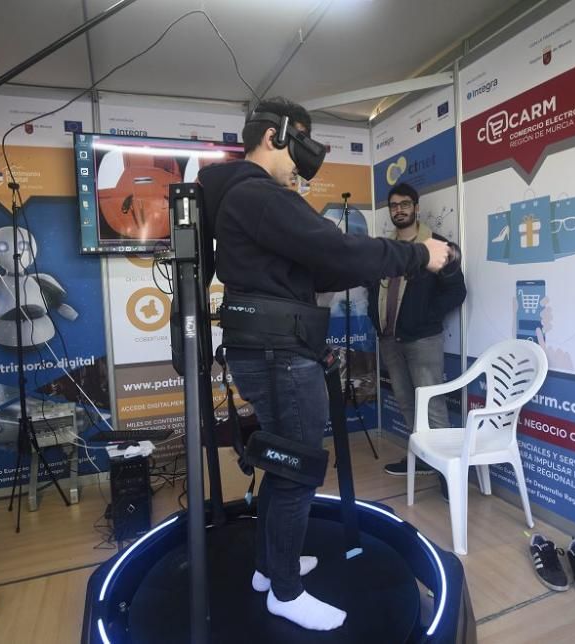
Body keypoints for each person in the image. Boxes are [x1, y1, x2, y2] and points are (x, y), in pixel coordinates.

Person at [198, 97, 450, 632]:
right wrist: (417, 255)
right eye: (298, 149)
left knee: (283, 463)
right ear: (273, 137)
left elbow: (312, 271)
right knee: (298, 471)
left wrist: (365, 266)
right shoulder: (258, 195)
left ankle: (270, 569)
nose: (299, 168)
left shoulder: (241, 200)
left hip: (271, 350)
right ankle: (286, 593)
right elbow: (336, 251)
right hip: (279, 356)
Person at [368, 183, 466, 482]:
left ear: (416, 207)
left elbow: (456, 292)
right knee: (407, 404)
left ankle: (449, 474)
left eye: (405, 204)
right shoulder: (386, 250)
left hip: (422, 341)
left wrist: (424, 317)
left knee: (432, 406)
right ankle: (424, 460)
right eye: (394, 205)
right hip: (389, 340)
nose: (399, 209)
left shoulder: (436, 246)